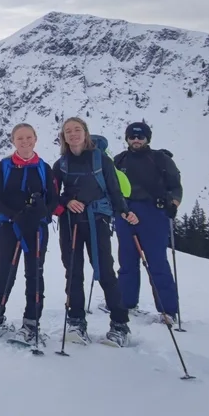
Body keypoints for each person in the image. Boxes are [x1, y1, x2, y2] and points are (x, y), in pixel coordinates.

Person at [51, 117, 138, 347]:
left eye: (77, 130)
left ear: (85, 133)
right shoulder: (60, 164)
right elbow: (51, 196)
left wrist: (125, 212)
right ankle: (76, 321)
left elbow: (114, 190)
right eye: (68, 131)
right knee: (73, 272)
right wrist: (67, 201)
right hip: (70, 222)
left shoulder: (102, 160)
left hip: (97, 220)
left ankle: (120, 324)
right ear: (63, 136)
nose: (73, 134)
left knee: (106, 272)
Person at [0, 123, 59, 346]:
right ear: (13, 141)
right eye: (20, 138)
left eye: (29, 137)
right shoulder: (3, 167)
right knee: (4, 272)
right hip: (9, 226)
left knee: (34, 274)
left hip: (37, 228)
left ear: (35, 139)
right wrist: (15, 215)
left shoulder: (44, 168)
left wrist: (42, 211)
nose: (25, 141)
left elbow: (54, 199)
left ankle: (31, 323)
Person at [112, 121, 183, 323]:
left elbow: (175, 186)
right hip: (125, 212)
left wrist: (173, 203)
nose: (136, 140)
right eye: (132, 137)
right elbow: (112, 187)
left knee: (157, 262)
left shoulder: (161, 159)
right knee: (127, 261)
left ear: (147, 139)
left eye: (140, 137)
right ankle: (126, 302)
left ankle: (168, 309)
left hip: (153, 213)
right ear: (127, 138)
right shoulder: (119, 161)